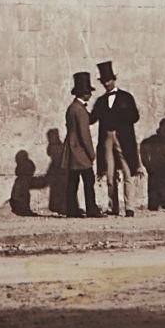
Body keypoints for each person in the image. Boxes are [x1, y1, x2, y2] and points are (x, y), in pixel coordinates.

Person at [89, 60, 142, 217]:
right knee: (110, 175)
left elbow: (135, 116)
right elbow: (92, 118)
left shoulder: (126, 97)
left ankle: (130, 207)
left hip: (124, 138)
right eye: (104, 81)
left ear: (114, 79)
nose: (106, 84)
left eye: (108, 80)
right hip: (107, 138)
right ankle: (114, 206)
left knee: (127, 172)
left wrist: (120, 117)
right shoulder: (101, 101)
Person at [63, 72, 100, 217]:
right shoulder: (80, 110)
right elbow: (85, 134)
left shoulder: (72, 107)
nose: (90, 95)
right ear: (84, 94)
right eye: (89, 92)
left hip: (72, 149)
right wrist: (91, 153)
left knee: (73, 181)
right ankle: (92, 209)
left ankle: (71, 209)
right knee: (88, 180)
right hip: (80, 151)